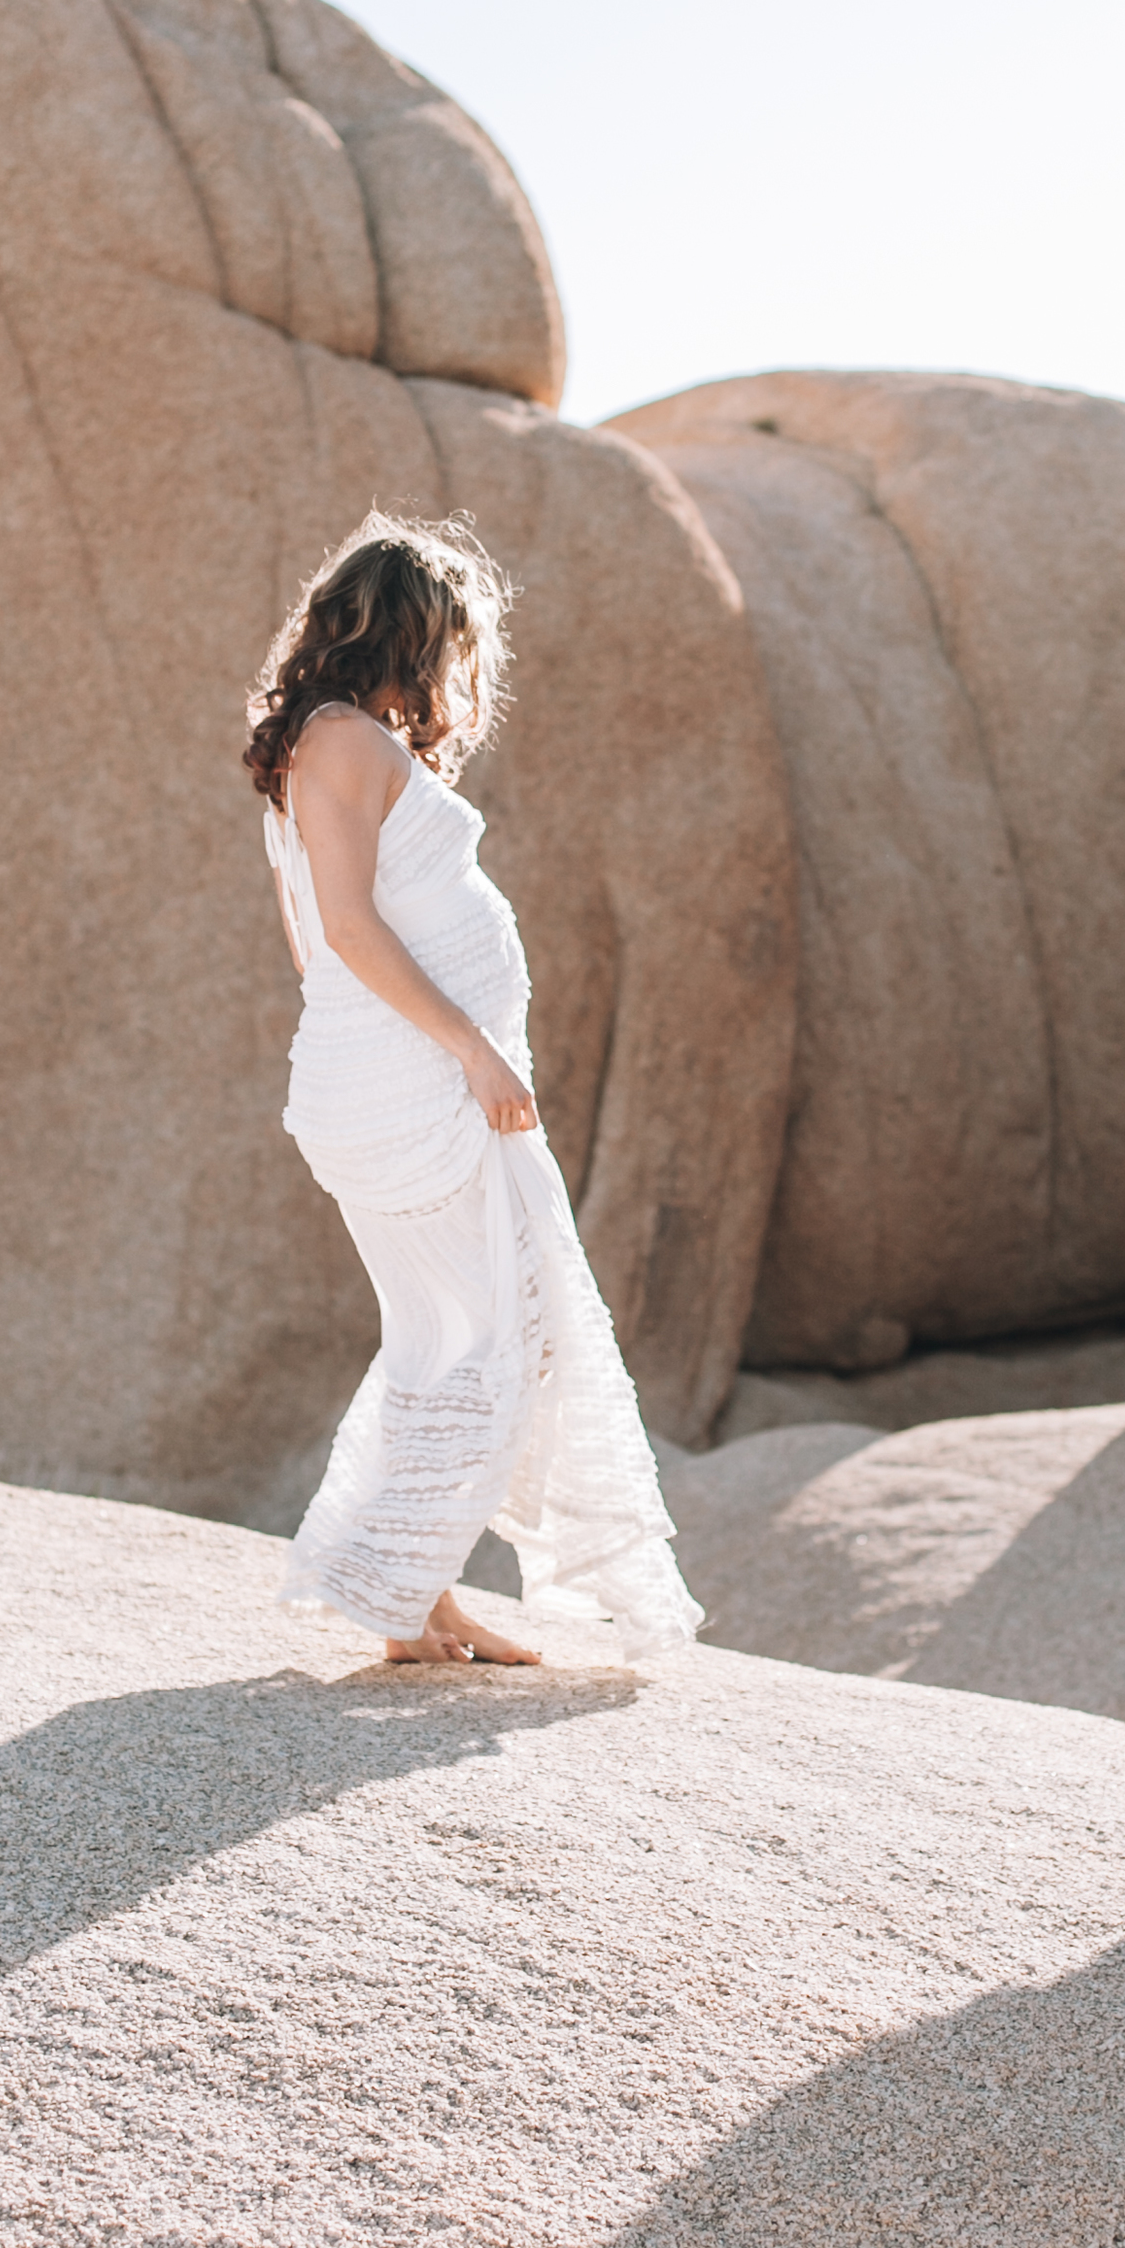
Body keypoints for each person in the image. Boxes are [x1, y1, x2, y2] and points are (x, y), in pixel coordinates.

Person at [244, 513, 701, 1668]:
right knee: (499, 1332)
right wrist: (469, 1048)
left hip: (390, 1081)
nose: (459, 668)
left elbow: (315, 942)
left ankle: (417, 1597)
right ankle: (400, 1591)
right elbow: (344, 927)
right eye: (454, 641)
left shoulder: (318, 742)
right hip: (418, 1092)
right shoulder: (342, 741)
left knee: (451, 1336)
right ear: (411, 633)